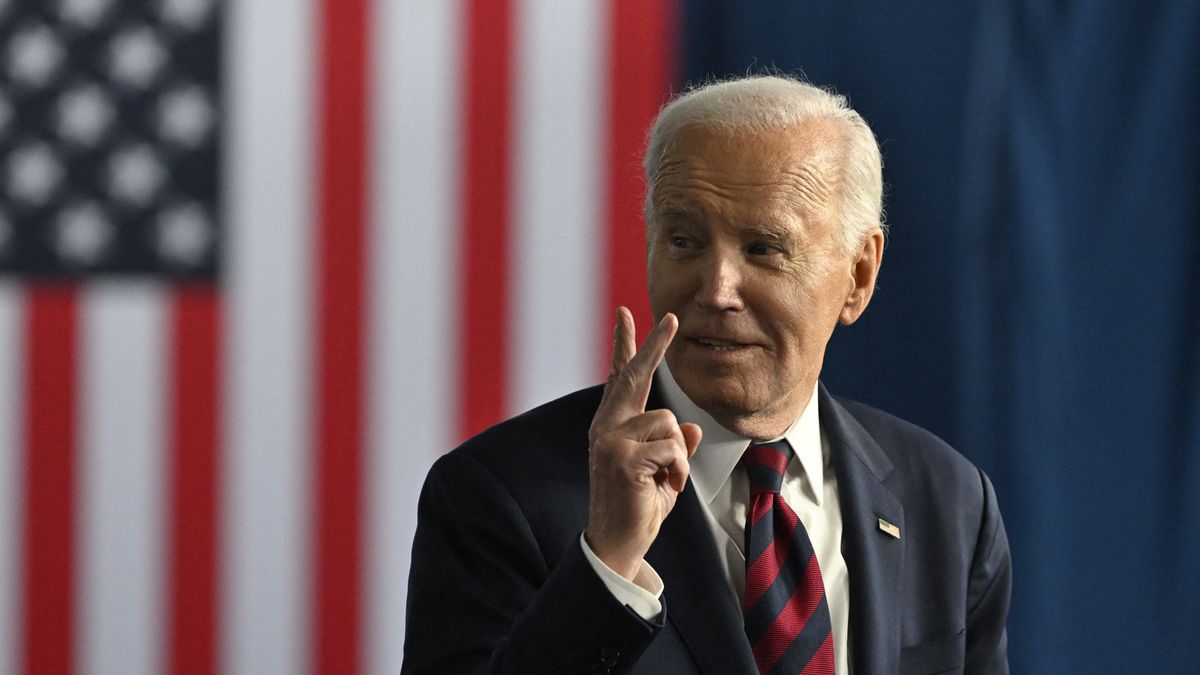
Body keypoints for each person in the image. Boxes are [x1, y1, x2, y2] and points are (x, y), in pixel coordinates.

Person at [403, 75, 1010, 674]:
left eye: (763, 249)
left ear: (858, 276)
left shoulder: (950, 503)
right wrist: (607, 567)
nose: (716, 290)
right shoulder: (499, 496)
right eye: (685, 241)